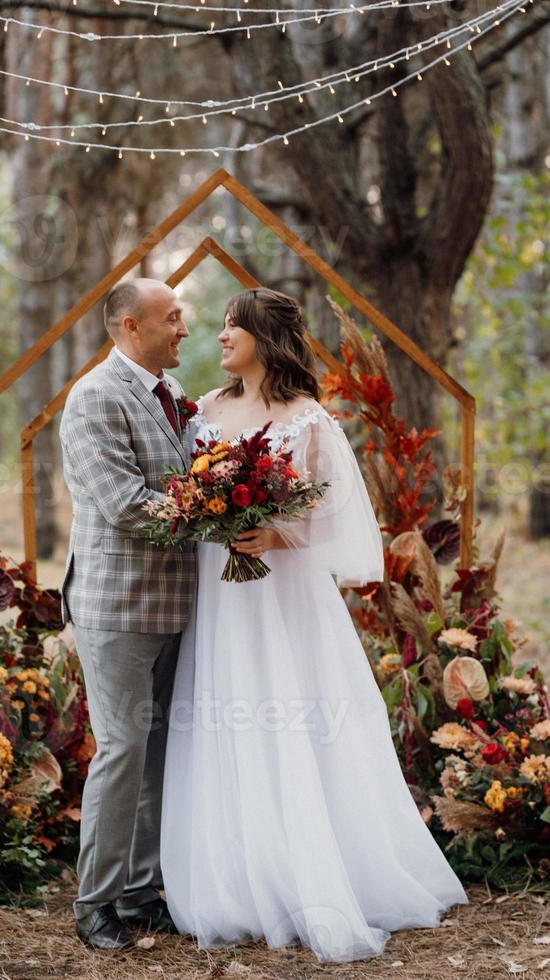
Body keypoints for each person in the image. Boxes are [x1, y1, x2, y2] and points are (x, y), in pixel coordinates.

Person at [160, 286, 469, 963]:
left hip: (286, 594)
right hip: (221, 593)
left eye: (232, 327)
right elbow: (185, 490)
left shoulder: (308, 420)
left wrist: (277, 534)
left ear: (262, 337)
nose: (219, 338)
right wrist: (215, 517)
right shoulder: (203, 412)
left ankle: (322, 872)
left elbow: (334, 514)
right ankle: (239, 880)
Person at [59, 278, 197, 950]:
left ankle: (142, 893)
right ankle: (95, 905)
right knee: (121, 750)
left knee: (157, 753)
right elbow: (123, 501)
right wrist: (217, 514)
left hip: (173, 606)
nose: (184, 328)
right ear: (128, 326)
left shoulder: (170, 398)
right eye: (172, 317)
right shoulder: (93, 398)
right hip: (115, 608)